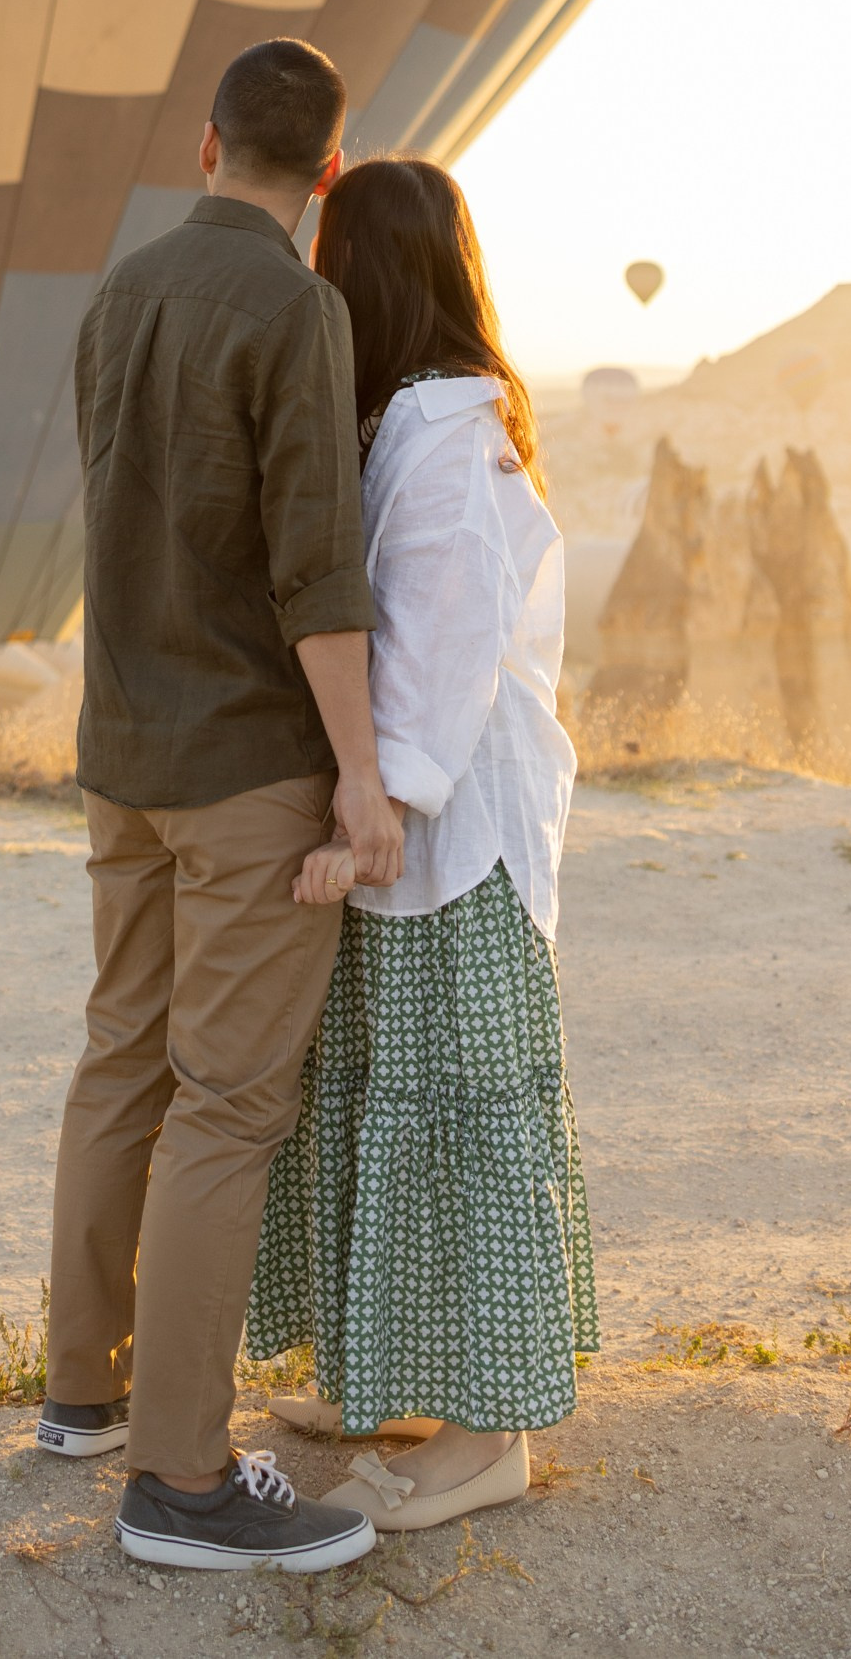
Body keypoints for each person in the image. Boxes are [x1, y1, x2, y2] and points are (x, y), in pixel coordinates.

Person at [37, 37, 399, 1577]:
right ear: (325, 169)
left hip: (123, 749)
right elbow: (314, 571)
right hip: (248, 762)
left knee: (123, 1053)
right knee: (231, 1103)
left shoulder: (118, 295)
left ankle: (83, 1395)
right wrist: (363, 783)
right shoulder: (294, 306)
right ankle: (181, 1479)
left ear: (205, 145)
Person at [247, 155, 596, 1534]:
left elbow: (446, 654)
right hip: (421, 829)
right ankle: (395, 1376)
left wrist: (375, 806)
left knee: (456, 1124)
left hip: (454, 843)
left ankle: (486, 1438)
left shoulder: (449, 437)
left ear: (365, 276)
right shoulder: (410, 421)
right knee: (387, 1111)